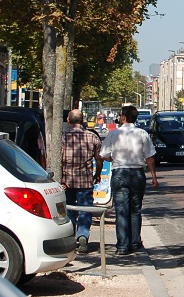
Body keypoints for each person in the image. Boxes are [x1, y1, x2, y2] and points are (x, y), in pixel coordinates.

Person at [99, 105, 158, 255]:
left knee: (121, 210)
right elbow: (150, 157)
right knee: (135, 209)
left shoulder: (114, 134)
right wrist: (154, 177)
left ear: (123, 117)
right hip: (137, 173)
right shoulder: (142, 134)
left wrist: (112, 158)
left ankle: (123, 245)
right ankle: (135, 242)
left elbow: (103, 154)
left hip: (119, 172)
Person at [62, 109, 103, 254]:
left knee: (68, 211)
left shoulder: (62, 137)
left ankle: (70, 238)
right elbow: (99, 159)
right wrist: (98, 174)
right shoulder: (92, 137)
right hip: (85, 181)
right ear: (83, 120)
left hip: (65, 181)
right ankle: (83, 235)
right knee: (85, 210)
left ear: (68, 120)